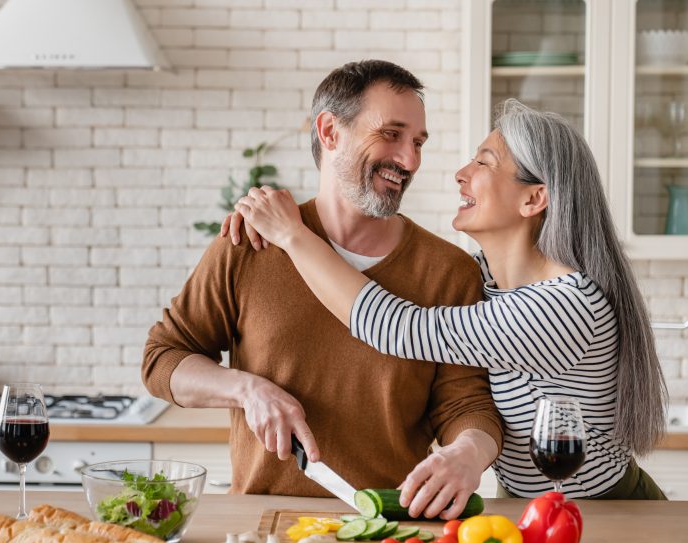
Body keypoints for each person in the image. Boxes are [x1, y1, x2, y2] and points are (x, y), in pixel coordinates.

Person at [231, 99, 668, 500]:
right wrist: (266, 220)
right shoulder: (484, 278)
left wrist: (291, 234)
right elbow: (411, 285)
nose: (462, 173)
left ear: (534, 198)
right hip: (530, 504)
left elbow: (398, 327)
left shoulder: (564, 306)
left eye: (484, 162)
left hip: (607, 510)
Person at [142, 60, 504, 519]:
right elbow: (162, 359)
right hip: (263, 528)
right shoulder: (249, 244)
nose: (409, 160)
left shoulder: (448, 271)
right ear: (330, 132)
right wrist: (246, 389)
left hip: (388, 534)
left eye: (417, 143)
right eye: (391, 134)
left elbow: (467, 403)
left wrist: (469, 452)